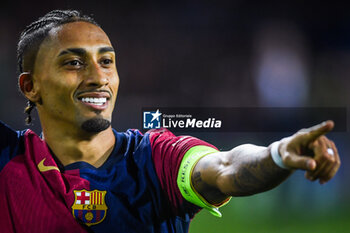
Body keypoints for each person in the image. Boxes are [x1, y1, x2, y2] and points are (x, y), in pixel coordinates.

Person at [0, 10, 340, 233]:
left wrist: (277, 154)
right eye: (73, 63)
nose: (97, 77)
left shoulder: (154, 157)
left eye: (106, 61)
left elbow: (226, 165)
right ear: (31, 86)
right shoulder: (8, 159)